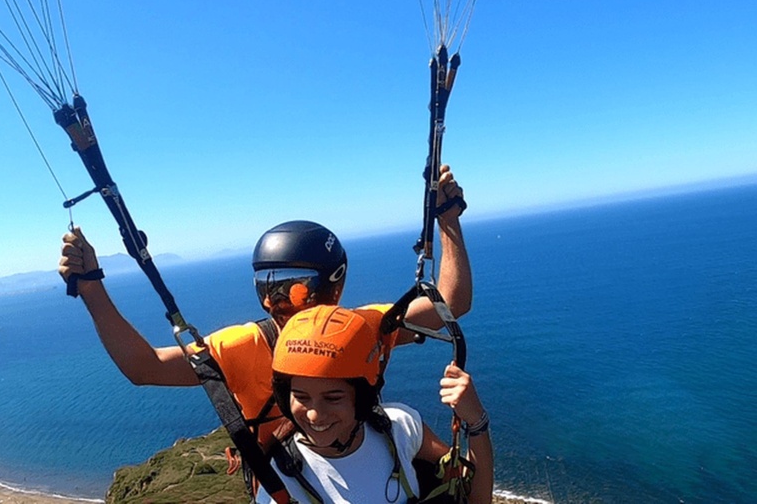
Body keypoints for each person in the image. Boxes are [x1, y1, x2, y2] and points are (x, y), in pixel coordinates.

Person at [58, 165, 471, 469]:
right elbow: (144, 367)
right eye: (266, 289)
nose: (277, 303)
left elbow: (450, 303)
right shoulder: (250, 345)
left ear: (334, 285)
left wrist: (448, 220)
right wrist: (91, 287)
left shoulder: (366, 326)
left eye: (293, 288)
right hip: (288, 482)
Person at [256, 304, 493, 504]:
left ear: (362, 397)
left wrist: (476, 421)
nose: (315, 415)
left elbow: (472, 496)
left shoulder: (398, 426)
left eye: (333, 398)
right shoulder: (278, 482)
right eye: (301, 397)